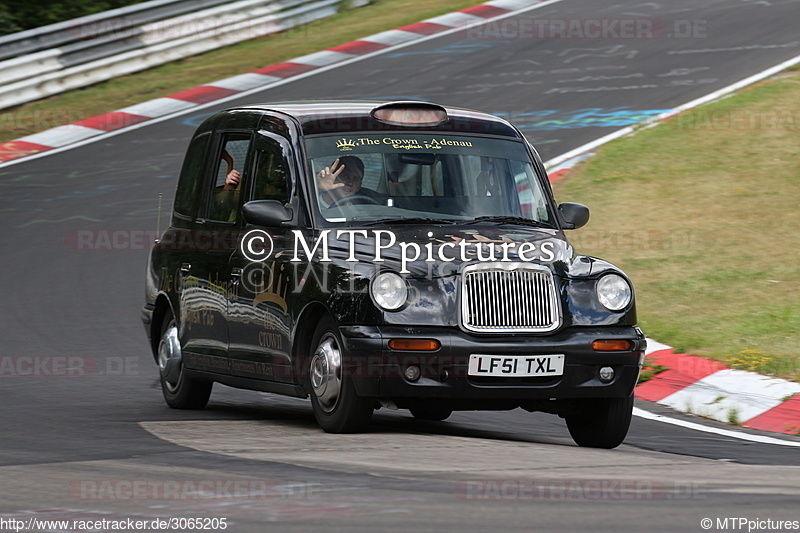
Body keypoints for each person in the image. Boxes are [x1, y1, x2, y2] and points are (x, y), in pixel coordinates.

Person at [315, 155, 381, 207]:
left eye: (356, 179)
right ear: (333, 179)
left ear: (358, 187)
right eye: (345, 176)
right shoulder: (312, 207)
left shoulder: (362, 210)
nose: (350, 183)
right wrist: (317, 186)